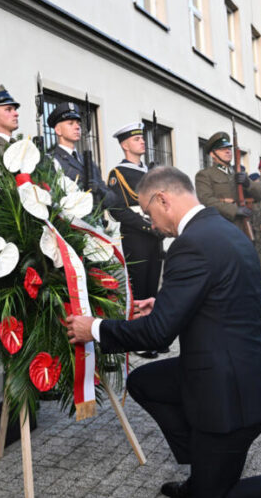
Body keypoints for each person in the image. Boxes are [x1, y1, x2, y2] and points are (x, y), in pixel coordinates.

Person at [65, 166, 261, 498]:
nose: (150, 222)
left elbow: (157, 336)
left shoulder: (190, 244)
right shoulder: (223, 230)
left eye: (149, 211)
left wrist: (92, 328)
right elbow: (221, 294)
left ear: (163, 199)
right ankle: (205, 465)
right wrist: (165, 303)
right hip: (243, 371)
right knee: (145, 382)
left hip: (230, 396)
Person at [107, 122, 166, 359]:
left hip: (155, 235)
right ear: (124, 145)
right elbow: (116, 209)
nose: (142, 141)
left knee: (153, 287)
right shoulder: (118, 173)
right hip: (136, 236)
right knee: (138, 289)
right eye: (136, 139)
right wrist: (146, 225)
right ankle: (139, 339)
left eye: (142, 138)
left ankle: (153, 335)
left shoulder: (150, 172)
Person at [47, 102, 117, 208]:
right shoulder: (51, 160)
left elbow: (112, 200)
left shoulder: (88, 162)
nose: (77, 127)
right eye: (70, 123)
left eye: (78, 124)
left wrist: (99, 191)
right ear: (58, 130)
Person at [194, 132, 261, 237]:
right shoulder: (204, 175)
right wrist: (234, 210)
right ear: (213, 154)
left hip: (243, 227)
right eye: (222, 149)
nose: (228, 151)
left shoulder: (237, 172)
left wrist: (248, 183)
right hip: (220, 228)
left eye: (229, 148)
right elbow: (207, 200)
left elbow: (260, 195)